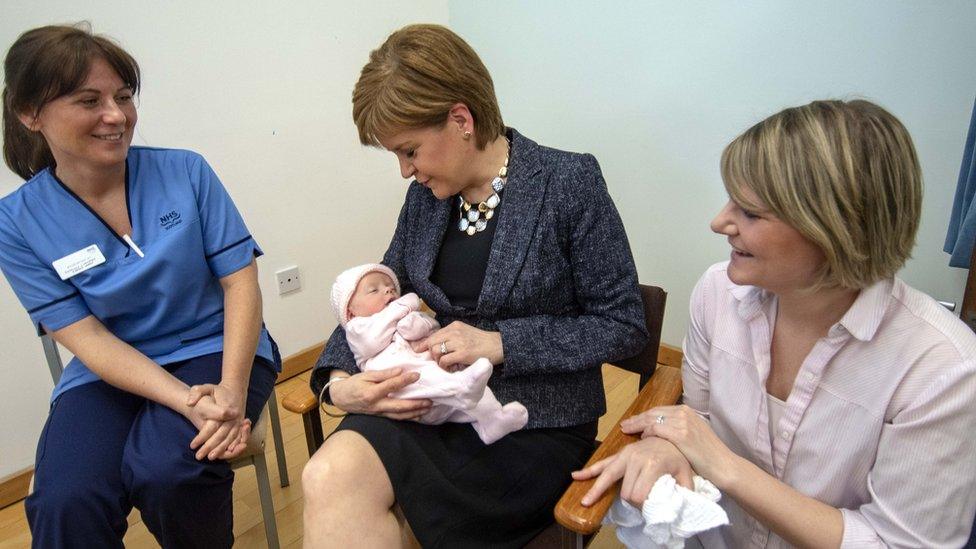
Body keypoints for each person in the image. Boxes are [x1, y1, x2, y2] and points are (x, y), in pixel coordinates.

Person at [301, 24, 647, 548]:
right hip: (430, 402)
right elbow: (377, 292)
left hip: (529, 424)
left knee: (380, 512)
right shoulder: (428, 197)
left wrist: (500, 344)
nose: (404, 171)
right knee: (325, 475)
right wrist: (336, 382)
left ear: (461, 119)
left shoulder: (568, 183)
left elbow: (622, 325)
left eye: (409, 150)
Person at [574, 100, 976, 547]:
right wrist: (666, 445)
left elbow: (899, 543)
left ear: (834, 227)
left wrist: (724, 465)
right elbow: (699, 416)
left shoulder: (943, 371)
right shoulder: (717, 293)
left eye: (750, 212)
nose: (719, 222)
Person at [0, 25, 279, 548]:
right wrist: (182, 400)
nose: (116, 115)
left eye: (124, 97)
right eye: (89, 100)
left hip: (215, 348)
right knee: (66, 500)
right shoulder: (15, 222)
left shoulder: (185, 172)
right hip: (106, 371)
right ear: (30, 114)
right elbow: (87, 339)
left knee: (171, 470)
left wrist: (229, 394)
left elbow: (242, 285)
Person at [330, 262, 528, 444]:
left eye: (389, 285)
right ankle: (460, 389)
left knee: (477, 388)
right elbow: (370, 341)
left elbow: (430, 326)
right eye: (374, 290)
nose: (388, 289)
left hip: (441, 378)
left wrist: (414, 324)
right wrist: (336, 383)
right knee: (437, 379)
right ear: (350, 312)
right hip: (404, 388)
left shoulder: (402, 311)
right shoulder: (358, 327)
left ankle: (492, 420)